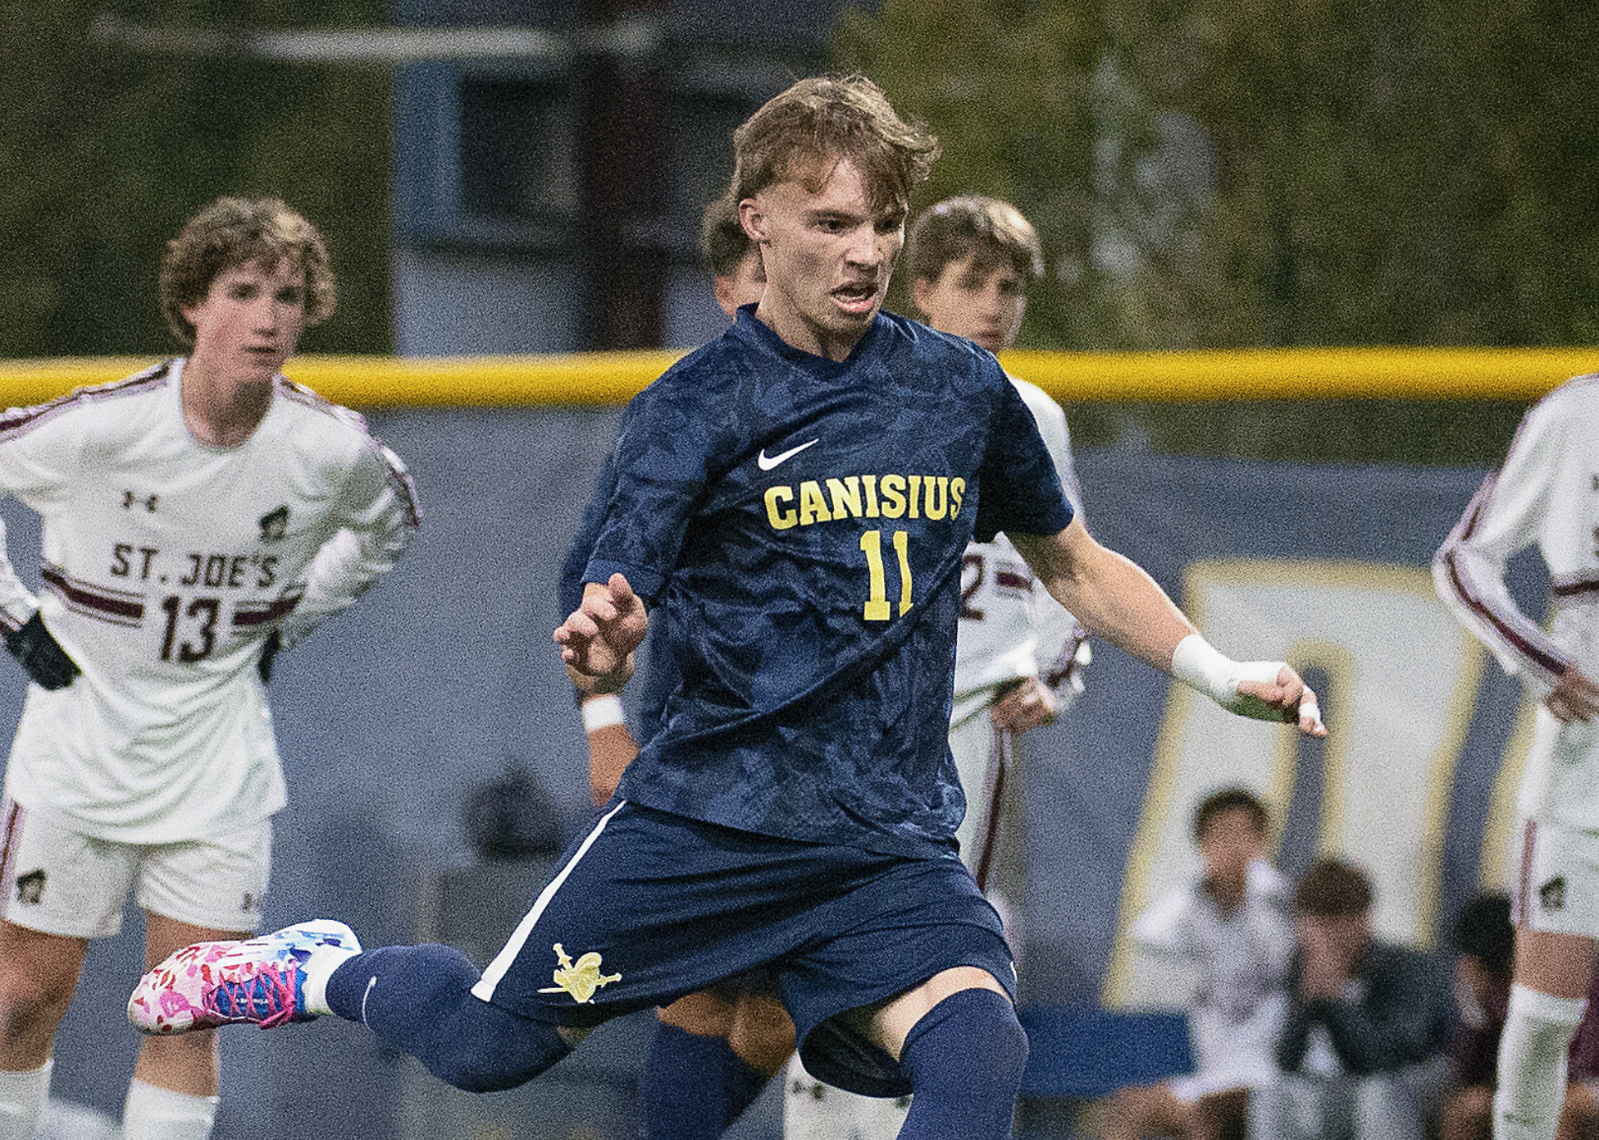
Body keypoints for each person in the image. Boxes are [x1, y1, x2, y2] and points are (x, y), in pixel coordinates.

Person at [128, 75, 1323, 1140]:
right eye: (834, 222)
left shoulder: (961, 391)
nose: (867, 252)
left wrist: (1222, 672)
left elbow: (1076, 562)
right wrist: (607, 640)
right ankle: (330, 970)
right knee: (488, 1049)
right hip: (709, 827)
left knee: (980, 1052)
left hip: (881, 841)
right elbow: (613, 586)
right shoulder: (697, 407)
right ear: (758, 222)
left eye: (887, 223)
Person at [0, 196, 419, 1140]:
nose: (269, 316)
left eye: (289, 295)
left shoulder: (328, 449)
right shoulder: (105, 430)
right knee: (21, 998)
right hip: (76, 753)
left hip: (218, 764)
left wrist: (292, 618)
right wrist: (19, 620)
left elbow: (389, 526)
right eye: (243, 291)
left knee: (190, 1006)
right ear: (192, 303)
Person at [784, 194, 1093, 1139]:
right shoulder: (852, 394)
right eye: (973, 284)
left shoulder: (1031, 413)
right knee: (828, 942)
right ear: (922, 290)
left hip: (968, 713)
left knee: (944, 942)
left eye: (1010, 288)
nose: (995, 304)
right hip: (850, 719)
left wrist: (1054, 676)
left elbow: (1071, 573)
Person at [566, 192, 793, 1140]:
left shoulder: (881, 406)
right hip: (702, 750)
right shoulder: (685, 409)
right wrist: (603, 721)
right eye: (761, 279)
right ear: (727, 286)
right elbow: (591, 573)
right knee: (694, 996)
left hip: (839, 762)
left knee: (782, 1016)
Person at [1434, 372, 1599, 1140]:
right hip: (1583, 764)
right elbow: (1463, 560)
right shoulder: (1573, 415)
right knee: (1538, 1021)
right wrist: (1543, 662)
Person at [1099, 788, 1293, 1140]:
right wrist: (1198, 885)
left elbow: (1281, 953)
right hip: (1214, 1074)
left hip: (1270, 1079)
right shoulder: (1196, 908)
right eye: (1220, 835)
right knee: (1125, 1105)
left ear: (1262, 842)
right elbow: (1146, 933)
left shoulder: (1283, 903)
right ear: (1203, 846)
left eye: (1242, 834)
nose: (1232, 846)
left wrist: (1251, 883)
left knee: (1208, 1116)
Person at [1246, 858, 1451, 1140]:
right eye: (1314, 922)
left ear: (1363, 919)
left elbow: (1382, 1059)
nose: (1324, 937)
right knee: (1272, 1094)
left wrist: (1334, 998)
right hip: (1335, 1089)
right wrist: (1308, 1000)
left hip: (1404, 1088)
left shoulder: (1409, 968)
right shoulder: (1300, 966)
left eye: (1335, 921)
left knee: (1377, 1093)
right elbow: (1287, 1062)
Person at [1439, 892, 1599, 1140]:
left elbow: (1586, 1055)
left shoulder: (1571, 968)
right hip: (1529, 1082)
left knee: (1566, 1108)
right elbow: (1469, 1075)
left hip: (1586, 1080)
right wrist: (1473, 1009)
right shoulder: (1494, 985)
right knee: (1468, 1110)